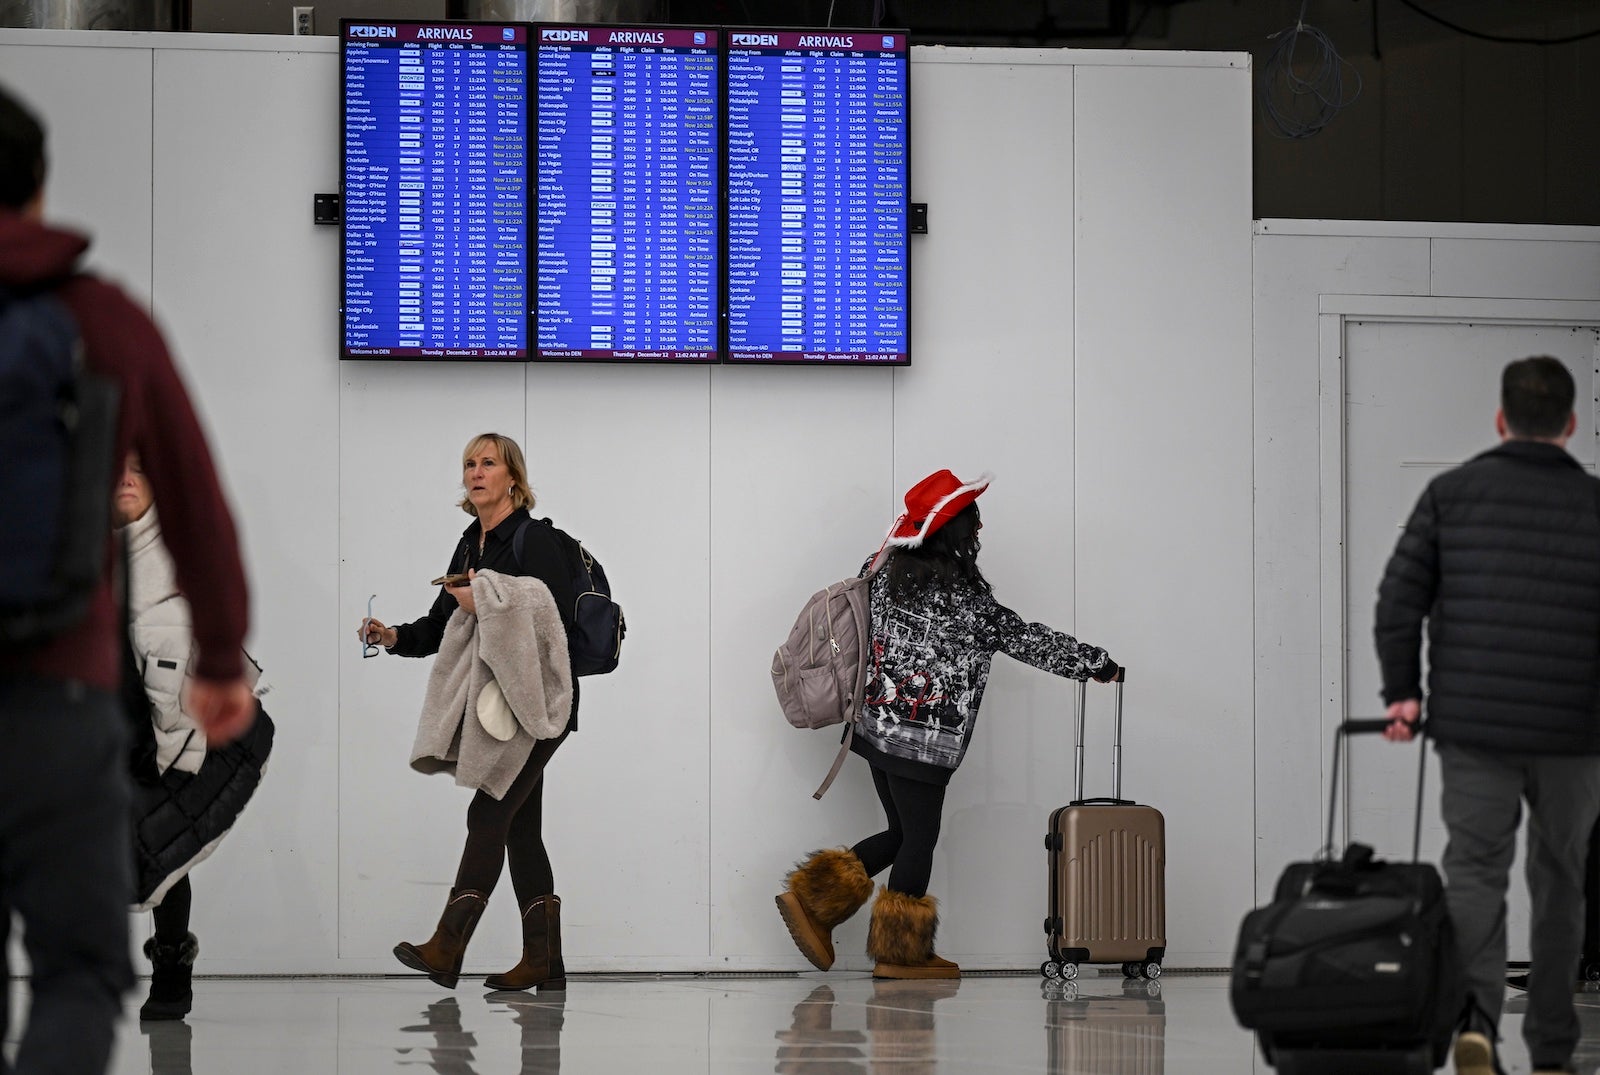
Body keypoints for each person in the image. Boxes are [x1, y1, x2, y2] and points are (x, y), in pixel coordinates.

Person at [0, 83, 253, 1075]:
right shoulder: (100, 317)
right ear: (41, 186)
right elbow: (196, 504)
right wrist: (222, 658)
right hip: (62, 703)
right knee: (77, 972)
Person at [776, 470, 1120, 980]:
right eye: (973, 520)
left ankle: (814, 899)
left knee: (902, 832)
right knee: (919, 839)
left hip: (875, 731)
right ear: (953, 530)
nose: (979, 530)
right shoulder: (962, 598)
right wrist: (1094, 663)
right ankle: (900, 953)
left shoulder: (885, 569)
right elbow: (1021, 636)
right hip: (921, 745)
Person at [1376, 355, 1600, 1075]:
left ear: (1501, 420)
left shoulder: (1451, 493)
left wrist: (1402, 693)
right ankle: (1555, 1049)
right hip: (1575, 730)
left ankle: (1475, 1024)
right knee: (1562, 877)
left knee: (1475, 871)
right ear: (1570, 424)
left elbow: (1397, 600)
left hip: (1474, 729)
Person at [359, 433, 578, 993]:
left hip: (541, 703)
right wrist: (392, 636)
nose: (477, 473)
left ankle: (447, 945)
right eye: (469, 464)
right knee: (520, 831)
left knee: (487, 816)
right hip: (503, 702)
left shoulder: (537, 541)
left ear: (513, 479)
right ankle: (544, 963)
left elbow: (550, 624)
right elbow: (439, 626)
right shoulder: (469, 543)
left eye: (489, 464)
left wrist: (488, 600)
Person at [114, 452, 276, 1022]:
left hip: (186, 729)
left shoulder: (178, 558)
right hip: (109, 725)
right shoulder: (76, 551)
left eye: (140, 466)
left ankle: (171, 966)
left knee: (164, 853)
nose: (126, 477)